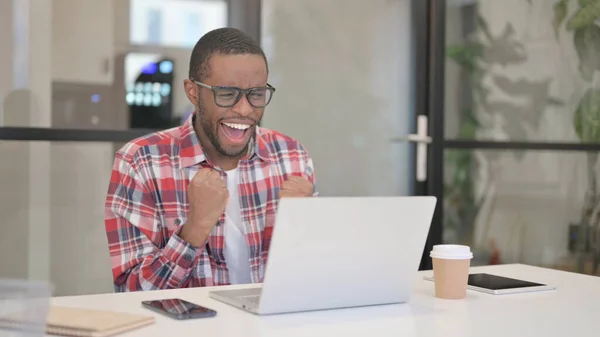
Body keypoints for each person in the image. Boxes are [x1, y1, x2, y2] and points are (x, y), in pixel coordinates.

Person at [104, 28, 317, 292]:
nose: (245, 109)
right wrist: (195, 228)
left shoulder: (292, 157)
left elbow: (314, 282)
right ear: (193, 92)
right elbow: (129, 293)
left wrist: (304, 230)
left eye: (257, 94)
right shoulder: (140, 162)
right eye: (227, 94)